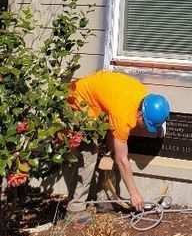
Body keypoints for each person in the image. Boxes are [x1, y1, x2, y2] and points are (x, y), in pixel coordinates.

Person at [65, 70, 170, 218]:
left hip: (94, 105)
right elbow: (122, 160)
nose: (145, 128)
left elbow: (114, 140)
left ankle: (104, 198)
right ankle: (75, 209)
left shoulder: (143, 98)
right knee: (89, 155)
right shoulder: (124, 114)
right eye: (146, 124)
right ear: (140, 114)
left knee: (110, 151)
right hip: (77, 101)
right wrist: (134, 194)